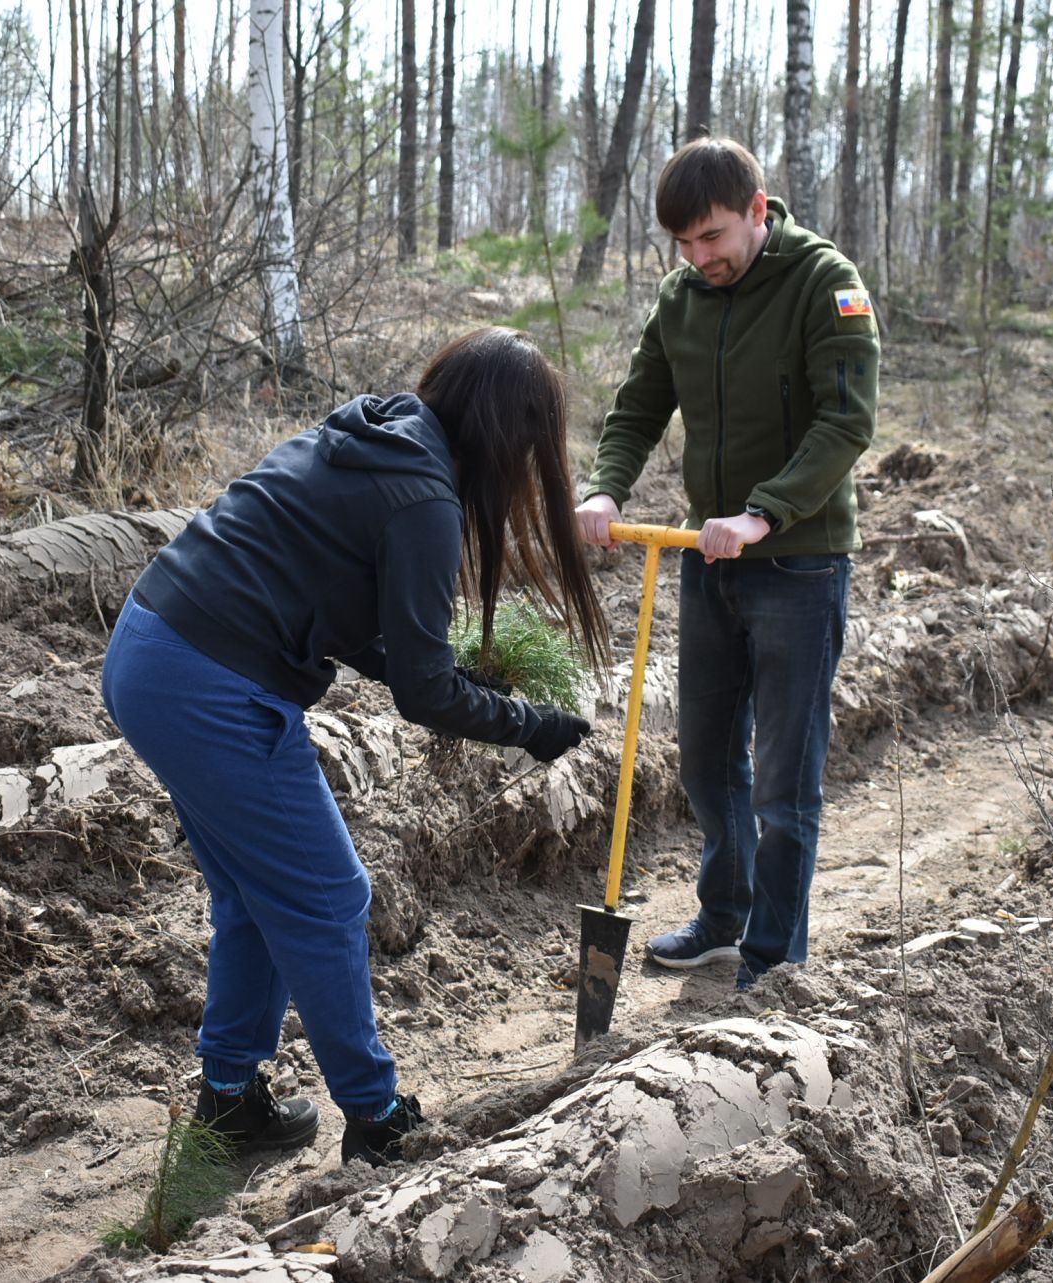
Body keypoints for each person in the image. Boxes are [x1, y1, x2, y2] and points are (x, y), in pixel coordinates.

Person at [102, 327, 606, 1166]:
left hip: (150, 646)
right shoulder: (425, 498)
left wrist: (453, 669)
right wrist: (531, 725)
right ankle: (378, 1120)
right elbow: (424, 695)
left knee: (255, 891)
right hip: (211, 683)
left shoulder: (376, 436)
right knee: (332, 893)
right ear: (510, 438)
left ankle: (230, 1100)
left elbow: (351, 619)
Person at [575, 137, 878, 990]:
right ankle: (725, 917)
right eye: (683, 245)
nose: (700, 259)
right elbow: (638, 406)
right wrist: (605, 490)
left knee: (784, 780)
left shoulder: (825, 284)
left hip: (799, 563)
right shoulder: (682, 299)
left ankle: (776, 955)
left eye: (712, 237)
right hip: (707, 562)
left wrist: (762, 512)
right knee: (707, 758)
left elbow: (846, 425)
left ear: (757, 208)